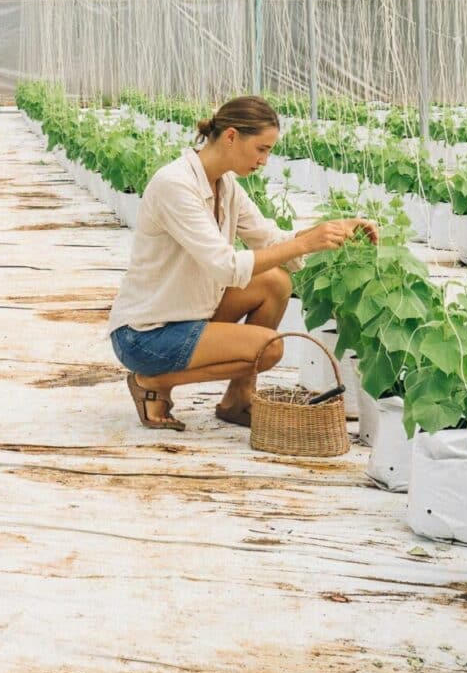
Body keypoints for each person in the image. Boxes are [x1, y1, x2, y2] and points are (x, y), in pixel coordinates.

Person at [105, 95, 375, 430]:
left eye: (269, 151)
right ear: (231, 136)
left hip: (188, 313)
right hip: (146, 334)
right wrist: (305, 243)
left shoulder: (225, 184)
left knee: (275, 282)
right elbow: (225, 267)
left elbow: (267, 238)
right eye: (262, 149)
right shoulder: (175, 185)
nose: (264, 160)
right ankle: (152, 383)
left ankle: (238, 400)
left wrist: (331, 230)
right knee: (269, 351)